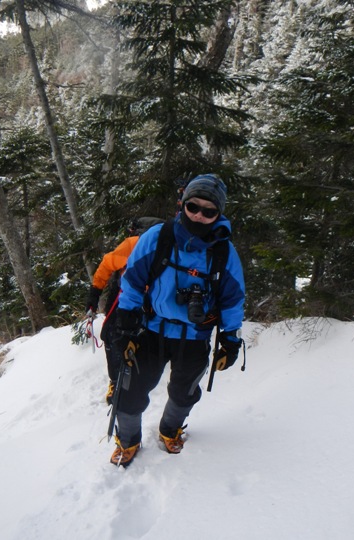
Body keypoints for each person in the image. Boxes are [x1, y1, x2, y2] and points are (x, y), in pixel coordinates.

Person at [110, 174, 245, 467]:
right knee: (129, 392)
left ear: (218, 214)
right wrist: (126, 321)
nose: (199, 215)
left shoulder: (224, 252)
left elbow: (233, 298)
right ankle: (128, 439)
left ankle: (170, 430)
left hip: (195, 337)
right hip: (150, 331)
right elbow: (132, 282)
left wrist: (230, 339)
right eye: (193, 207)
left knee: (185, 393)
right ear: (182, 204)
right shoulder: (157, 237)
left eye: (209, 211)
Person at [86, 217, 164, 404]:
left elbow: (106, 264)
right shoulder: (146, 243)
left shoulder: (136, 243)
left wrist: (94, 294)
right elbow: (107, 264)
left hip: (138, 294)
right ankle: (119, 379)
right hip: (138, 294)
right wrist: (94, 294)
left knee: (120, 334)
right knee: (119, 333)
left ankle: (122, 378)